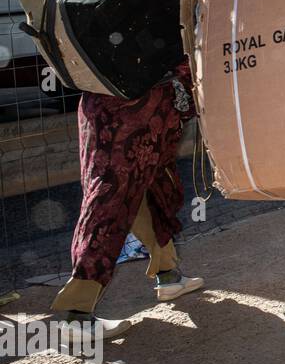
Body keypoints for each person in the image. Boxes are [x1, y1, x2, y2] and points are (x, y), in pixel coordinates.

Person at [50, 62, 205, 341]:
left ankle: (168, 274)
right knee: (111, 201)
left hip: (106, 100)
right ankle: (77, 313)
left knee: (150, 190)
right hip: (139, 107)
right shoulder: (149, 18)